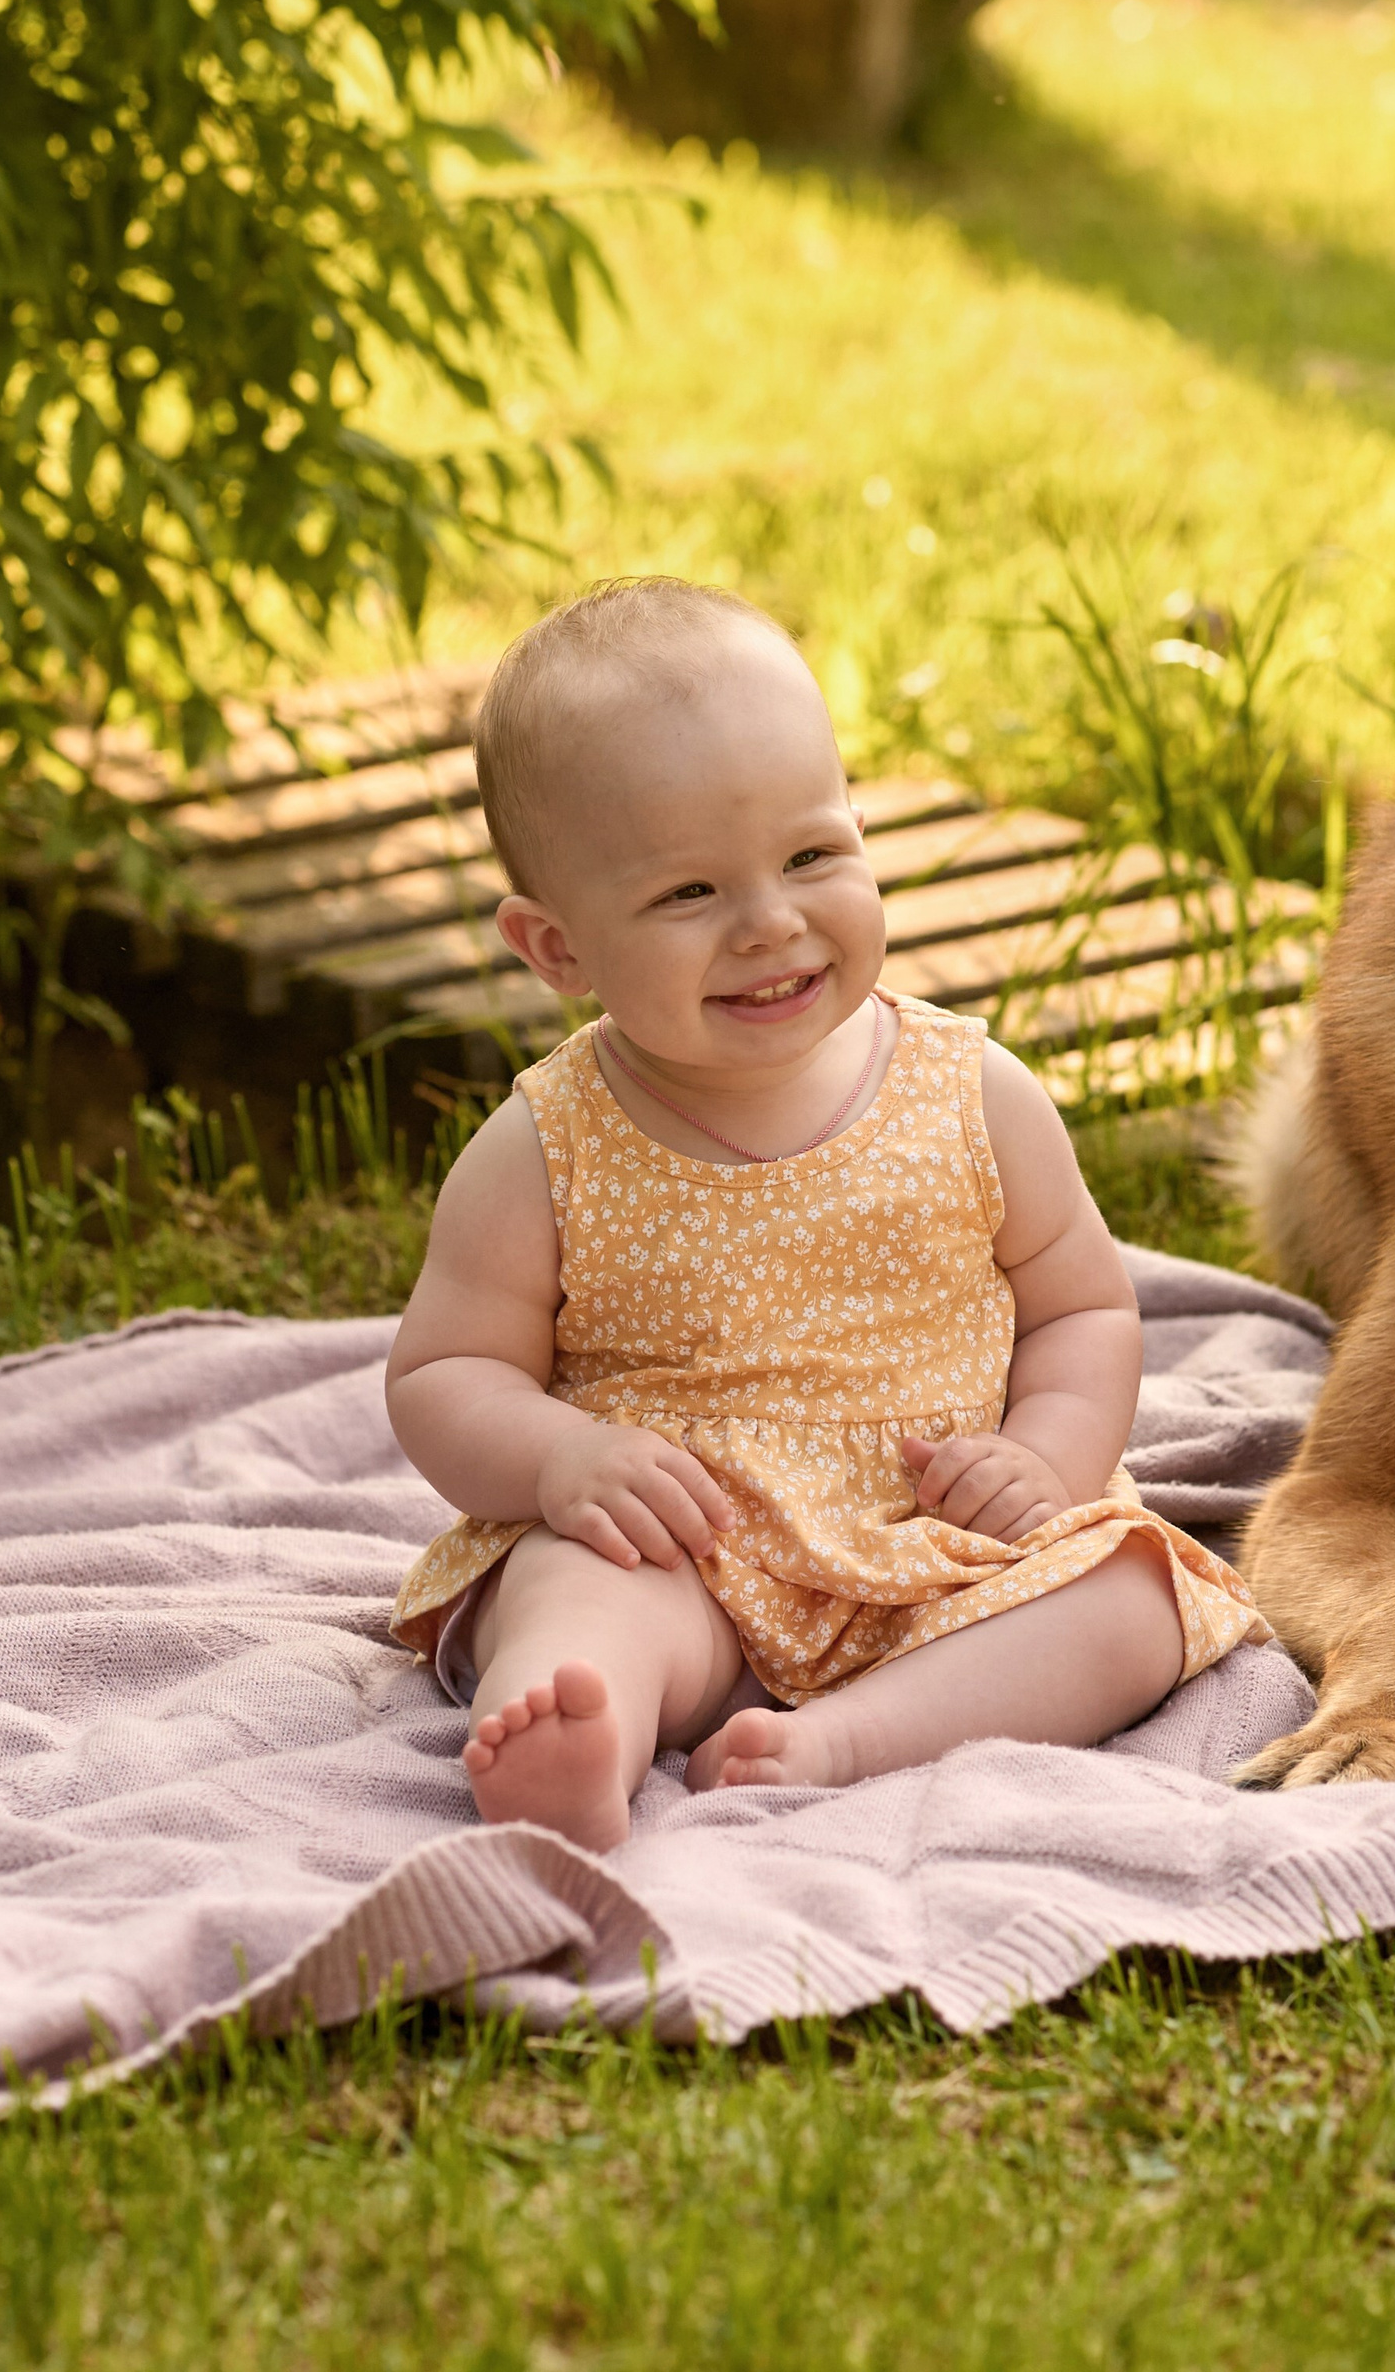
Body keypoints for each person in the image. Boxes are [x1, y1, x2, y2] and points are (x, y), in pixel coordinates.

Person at [386, 576, 1266, 1851]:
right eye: (688, 893)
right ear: (556, 947)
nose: (771, 922)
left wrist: (1046, 1456)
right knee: (576, 1584)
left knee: (1133, 1596)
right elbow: (445, 1372)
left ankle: (848, 1736)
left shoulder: (973, 1091)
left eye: (810, 856)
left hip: (941, 1550)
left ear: (859, 829)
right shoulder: (544, 1146)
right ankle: (582, 1722)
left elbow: (1082, 1306)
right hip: (687, 1551)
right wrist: (557, 1459)